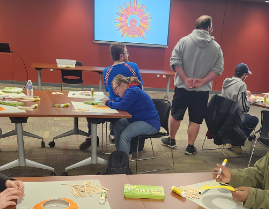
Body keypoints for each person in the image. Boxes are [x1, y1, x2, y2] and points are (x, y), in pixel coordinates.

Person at [162, 15, 224, 155]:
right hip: (202, 91)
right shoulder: (216, 47)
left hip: (183, 88)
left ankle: (171, 140)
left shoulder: (183, 41)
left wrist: (185, 79)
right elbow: (218, 68)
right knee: (196, 119)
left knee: (176, 114)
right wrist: (202, 81)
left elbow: (175, 61)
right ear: (209, 28)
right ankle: (190, 147)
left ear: (196, 26)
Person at [79, 42, 145, 153]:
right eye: (126, 52)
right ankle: (114, 133)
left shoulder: (106, 71)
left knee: (93, 106)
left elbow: (108, 90)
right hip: (130, 109)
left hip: (114, 108)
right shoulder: (133, 66)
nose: (128, 55)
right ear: (121, 56)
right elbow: (140, 87)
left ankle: (92, 136)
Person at [102, 75, 160, 156]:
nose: (115, 92)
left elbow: (123, 105)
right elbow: (120, 100)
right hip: (137, 120)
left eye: (116, 88)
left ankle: (123, 163)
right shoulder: (128, 91)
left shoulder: (133, 90)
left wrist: (108, 103)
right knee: (117, 126)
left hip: (150, 122)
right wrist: (111, 100)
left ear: (122, 85)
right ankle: (121, 155)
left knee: (125, 136)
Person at [221, 63, 259, 141]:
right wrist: (251, 101)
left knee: (246, 116)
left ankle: (230, 135)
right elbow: (243, 107)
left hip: (223, 115)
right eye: (247, 75)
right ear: (244, 74)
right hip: (234, 117)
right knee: (254, 119)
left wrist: (244, 94)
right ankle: (235, 141)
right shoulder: (242, 85)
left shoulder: (226, 81)